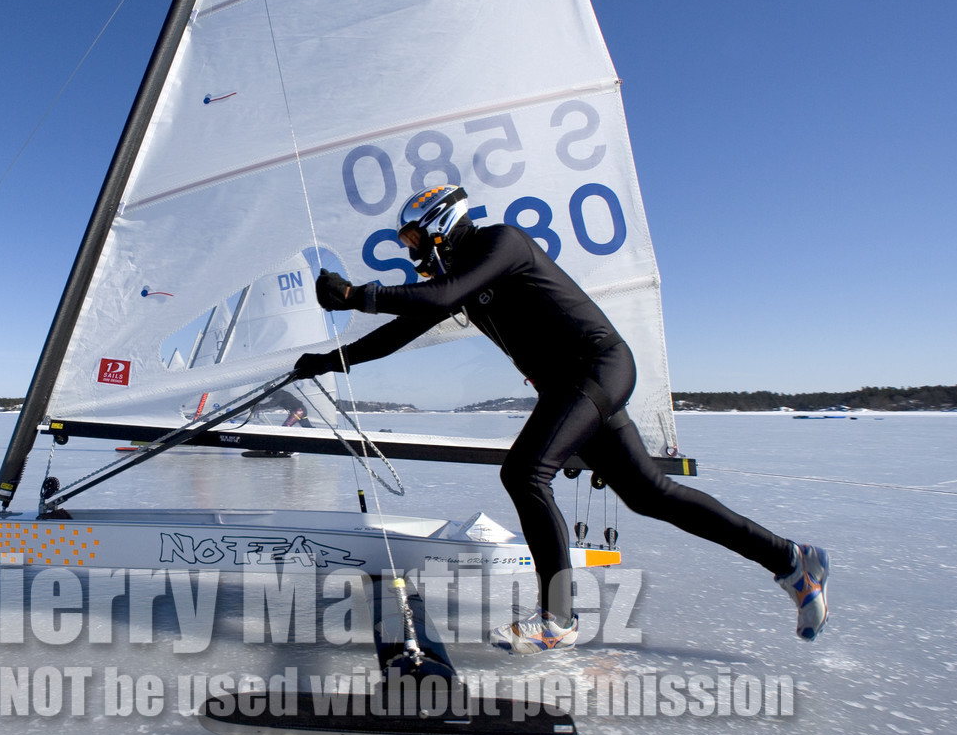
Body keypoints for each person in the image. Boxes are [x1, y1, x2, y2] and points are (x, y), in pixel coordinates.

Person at [293, 184, 828, 654]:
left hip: (596, 367)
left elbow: (441, 295)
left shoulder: (498, 243)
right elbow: (400, 329)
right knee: (649, 494)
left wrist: (355, 295)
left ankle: (558, 617)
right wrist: (325, 361)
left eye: (412, 241)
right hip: (576, 385)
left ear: (439, 225)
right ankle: (791, 559)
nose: (412, 255)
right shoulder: (461, 277)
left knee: (524, 473)